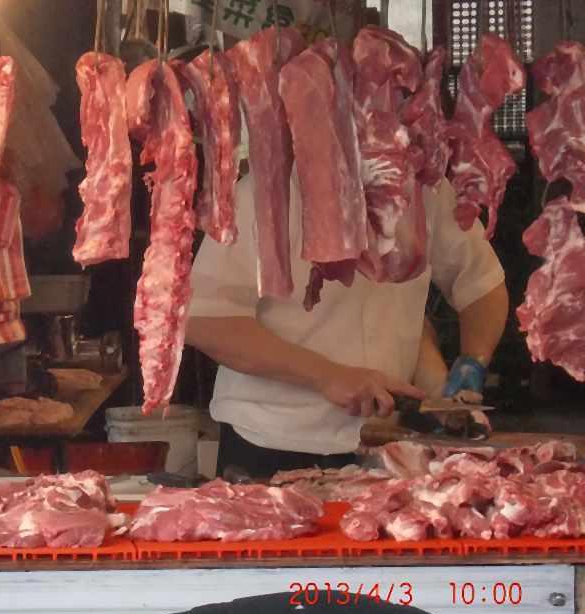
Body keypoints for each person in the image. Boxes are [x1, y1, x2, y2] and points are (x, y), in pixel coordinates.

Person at [185, 174, 508, 478]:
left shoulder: (425, 188)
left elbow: (480, 282)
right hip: (273, 442)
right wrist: (327, 375)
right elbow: (206, 319)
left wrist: (471, 363)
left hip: (389, 444)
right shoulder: (263, 192)